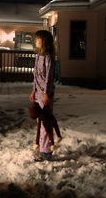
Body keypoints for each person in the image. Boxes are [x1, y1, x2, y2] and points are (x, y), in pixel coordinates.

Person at [30, 30, 59, 161]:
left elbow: (49, 77)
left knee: (46, 122)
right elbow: (36, 75)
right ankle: (42, 148)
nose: (35, 41)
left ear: (44, 41)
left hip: (45, 94)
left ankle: (46, 151)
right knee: (40, 121)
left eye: (37, 39)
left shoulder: (48, 57)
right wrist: (33, 90)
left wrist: (46, 93)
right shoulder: (38, 56)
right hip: (38, 93)